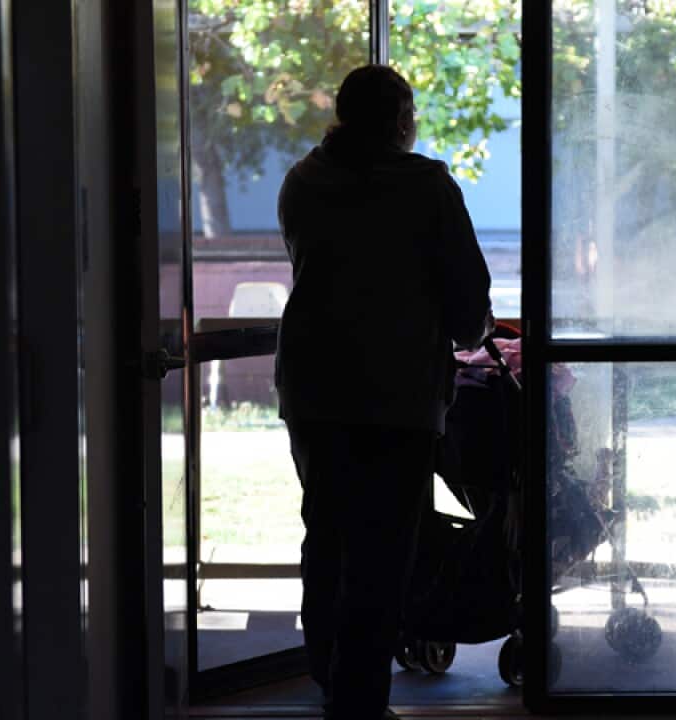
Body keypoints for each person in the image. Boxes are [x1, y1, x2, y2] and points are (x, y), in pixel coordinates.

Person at [275, 64, 494, 720]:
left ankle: (326, 674)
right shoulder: (427, 188)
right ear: (402, 121)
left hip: (313, 388)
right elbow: (466, 309)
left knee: (327, 531)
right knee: (382, 551)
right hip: (397, 398)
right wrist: (473, 329)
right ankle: (359, 702)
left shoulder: (302, 181)